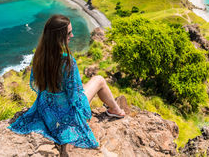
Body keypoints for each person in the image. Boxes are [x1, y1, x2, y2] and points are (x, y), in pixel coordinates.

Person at [8, 14, 125, 148]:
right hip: (65, 116)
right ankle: (116, 110)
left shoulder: (39, 55)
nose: (72, 35)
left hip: (45, 109)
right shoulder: (67, 61)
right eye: (69, 33)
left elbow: (37, 84)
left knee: (90, 84)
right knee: (98, 80)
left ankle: (115, 108)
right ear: (59, 36)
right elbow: (75, 96)